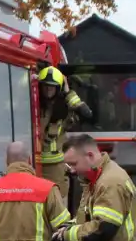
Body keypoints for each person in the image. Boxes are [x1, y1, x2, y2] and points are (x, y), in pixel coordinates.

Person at [37, 66, 94, 205]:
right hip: (34, 163)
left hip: (54, 166)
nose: (48, 90)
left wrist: (68, 93)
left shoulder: (63, 106)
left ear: (58, 88)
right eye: (45, 86)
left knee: (56, 202)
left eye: (52, 87)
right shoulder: (35, 104)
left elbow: (87, 114)